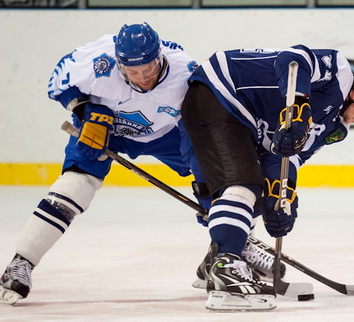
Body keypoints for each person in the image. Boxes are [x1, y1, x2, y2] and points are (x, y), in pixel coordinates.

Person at [0, 22, 210, 305]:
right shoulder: (98, 61)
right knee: (76, 184)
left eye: (149, 68)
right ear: (119, 63)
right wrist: (84, 109)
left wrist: (205, 172)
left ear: (159, 56)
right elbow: (58, 80)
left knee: (216, 176)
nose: (143, 77)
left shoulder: (184, 70)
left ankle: (226, 254)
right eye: (134, 72)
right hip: (104, 128)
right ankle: (20, 263)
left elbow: (203, 115)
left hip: (165, 133)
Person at [181, 45, 354, 310]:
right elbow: (293, 59)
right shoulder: (337, 73)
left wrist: (282, 195)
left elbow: (287, 156)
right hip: (222, 92)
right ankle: (227, 265)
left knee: (260, 194)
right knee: (242, 185)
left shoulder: (334, 128)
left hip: (241, 119)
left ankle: (222, 255)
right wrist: (298, 107)